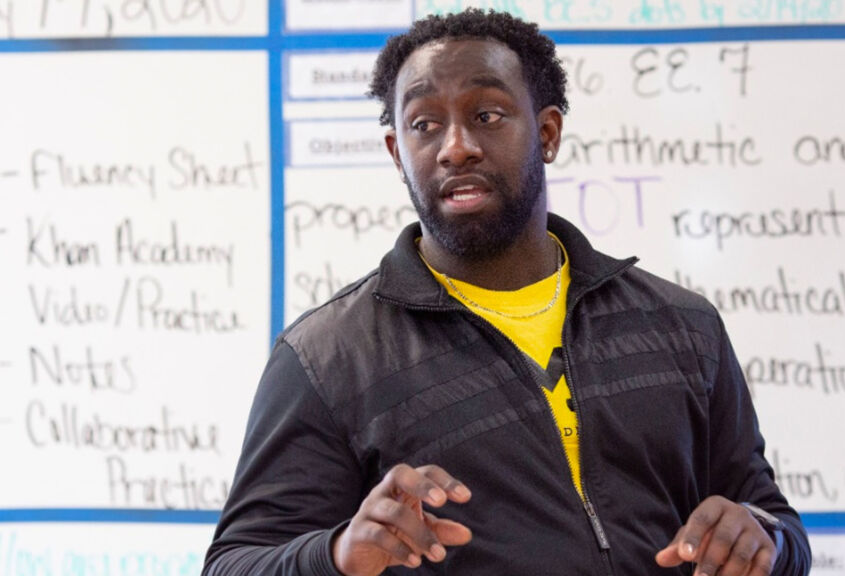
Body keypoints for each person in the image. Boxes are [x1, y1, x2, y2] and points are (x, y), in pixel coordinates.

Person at [203, 8, 811, 576]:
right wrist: (338, 553)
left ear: (547, 133)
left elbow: (772, 522)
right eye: (423, 125)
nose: (456, 146)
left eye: (486, 115)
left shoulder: (681, 325)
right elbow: (234, 562)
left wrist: (765, 539)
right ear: (397, 153)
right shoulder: (330, 355)